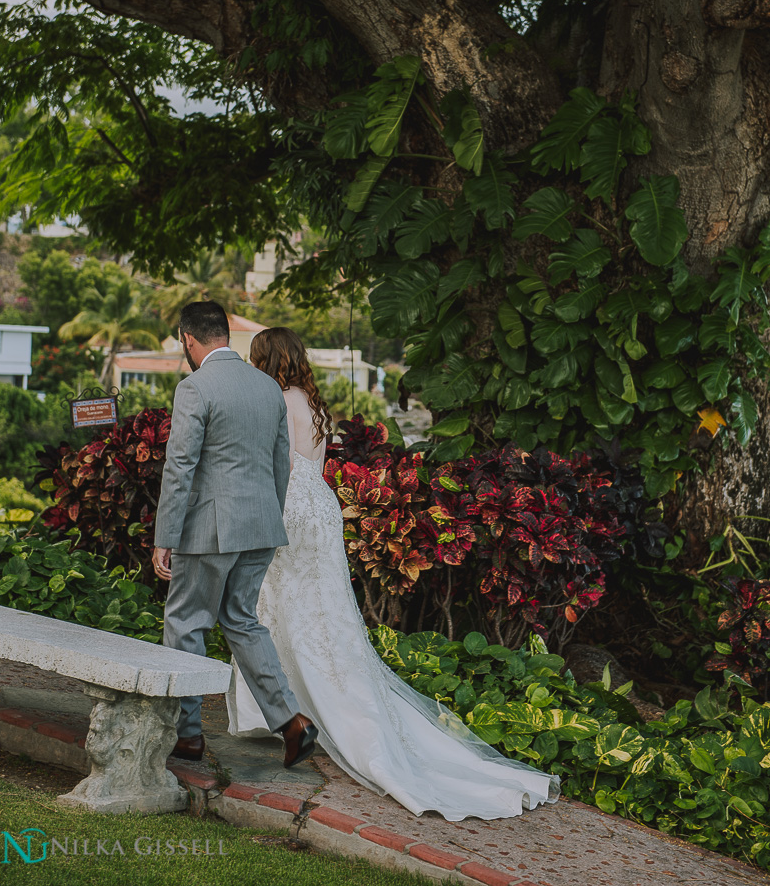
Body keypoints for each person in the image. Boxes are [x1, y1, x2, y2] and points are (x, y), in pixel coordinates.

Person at [226, 327, 560, 822]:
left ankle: (286, 711)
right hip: (321, 508)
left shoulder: (275, 398)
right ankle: (292, 709)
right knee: (316, 611)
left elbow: (269, 463)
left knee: (269, 606)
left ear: (266, 359)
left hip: (289, 508)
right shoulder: (312, 402)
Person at [152, 301, 317, 769]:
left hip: (209, 530)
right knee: (242, 621)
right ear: (225, 335)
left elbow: (180, 466)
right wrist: (270, 516)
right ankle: (290, 722)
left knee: (186, 624)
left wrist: (166, 535)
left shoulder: (194, 387)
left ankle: (188, 738)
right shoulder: (268, 387)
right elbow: (279, 463)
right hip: (262, 524)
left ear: (188, 339)